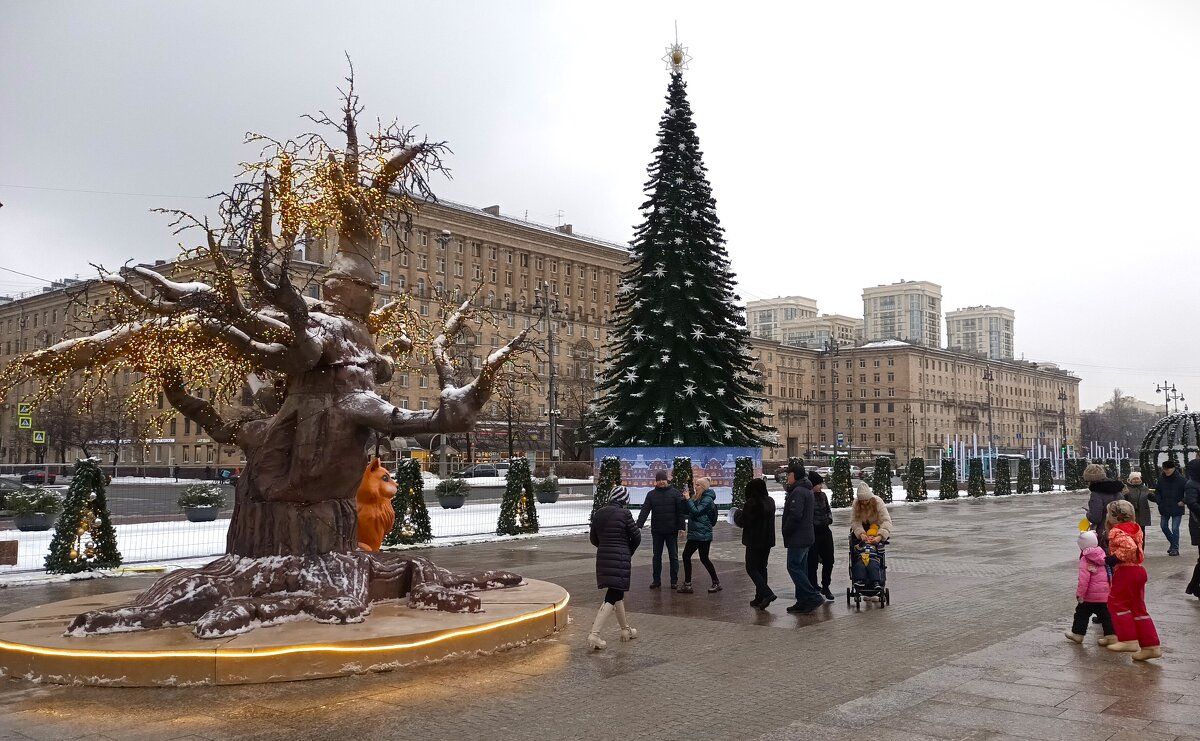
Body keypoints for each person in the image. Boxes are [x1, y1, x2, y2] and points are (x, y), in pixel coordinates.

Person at [1104, 499, 1163, 660]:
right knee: (1138, 608)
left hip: (1125, 571)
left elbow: (1129, 547)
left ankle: (1128, 639)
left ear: (1114, 516)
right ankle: (1151, 646)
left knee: (1116, 603)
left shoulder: (1117, 531)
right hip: (1138, 570)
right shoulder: (1134, 528)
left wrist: (1115, 558)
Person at [587, 486, 641, 650]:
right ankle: (594, 634)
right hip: (620, 557)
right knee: (612, 595)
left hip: (603, 555)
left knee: (617, 593)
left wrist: (604, 546)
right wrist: (627, 551)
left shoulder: (599, 513)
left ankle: (626, 630)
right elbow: (636, 536)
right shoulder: (624, 514)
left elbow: (593, 538)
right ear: (624, 500)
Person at [781, 462, 824, 614]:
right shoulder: (806, 490)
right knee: (801, 568)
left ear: (796, 476)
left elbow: (795, 515)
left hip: (798, 537)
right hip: (806, 536)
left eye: (789, 474)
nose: (787, 477)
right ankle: (802, 600)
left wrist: (786, 530)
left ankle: (812, 596)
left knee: (793, 567)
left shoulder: (798, 492)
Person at [636, 469, 687, 589]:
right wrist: (639, 525)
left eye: (663, 479)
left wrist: (682, 528)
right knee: (656, 556)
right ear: (656, 482)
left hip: (671, 530)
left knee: (673, 556)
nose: (661, 482)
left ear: (667, 480)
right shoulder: (651, 495)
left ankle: (674, 580)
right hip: (657, 531)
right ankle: (656, 580)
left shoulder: (675, 493)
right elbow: (645, 510)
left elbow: (680, 513)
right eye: (658, 480)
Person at [1065, 530, 1115, 645]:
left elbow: (1083, 580)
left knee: (1081, 614)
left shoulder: (1085, 559)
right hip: (1103, 594)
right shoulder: (1102, 554)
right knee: (1106, 615)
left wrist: (1080, 595)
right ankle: (1111, 636)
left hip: (1089, 596)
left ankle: (1077, 634)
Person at [733, 478, 776, 608]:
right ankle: (760, 597)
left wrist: (737, 514)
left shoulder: (752, 503)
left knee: (751, 568)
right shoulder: (770, 501)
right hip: (767, 540)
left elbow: (744, 522)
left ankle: (767, 594)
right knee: (762, 568)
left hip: (754, 540)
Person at [678, 477, 720, 593]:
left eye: (698, 485)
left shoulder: (707, 500)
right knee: (702, 558)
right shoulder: (698, 498)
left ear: (703, 487)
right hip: (697, 533)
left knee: (689, 556)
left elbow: (696, 512)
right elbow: (688, 512)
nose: (695, 487)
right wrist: (684, 500)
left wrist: (688, 500)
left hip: (702, 533)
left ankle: (688, 584)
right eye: (695, 484)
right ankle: (714, 582)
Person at [849, 481, 893, 590]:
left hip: (876, 528)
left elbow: (886, 521)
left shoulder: (878, 502)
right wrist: (861, 534)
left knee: (874, 561)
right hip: (863, 531)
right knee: (859, 561)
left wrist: (880, 536)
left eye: (866, 500)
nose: (864, 503)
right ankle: (860, 580)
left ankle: (877, 581)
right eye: (862, 501)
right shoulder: (856, 504)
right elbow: (855, 522)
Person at [806, 471, 835, 601]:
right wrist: (814, 524)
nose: (821, 487)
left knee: (829, 560)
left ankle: (826, 586)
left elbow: (828, 511)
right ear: (812, 485)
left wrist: (829, 519)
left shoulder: (823, 496)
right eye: (819, 484)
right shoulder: (808, 496)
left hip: (825, 532)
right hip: (813, 533)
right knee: (812, 562)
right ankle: (813, 585)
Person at [1150, 460, 1187, 556]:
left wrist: (1183, 501)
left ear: (1173, 468)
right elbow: (1157, 492)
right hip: (1164, 507)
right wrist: (1159, 501)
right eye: (1165, 469)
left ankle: (1175, 548)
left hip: (1177, 507)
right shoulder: (1161, 479)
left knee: (1175, 528)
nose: (1166, 471)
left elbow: (1188, 492)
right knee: (1164, 526)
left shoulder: (1182, 480)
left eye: (1168, 469)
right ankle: (1173, 543)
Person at [1084, 464, 1123, 552]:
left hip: (1104, 531)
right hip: (1119, 530)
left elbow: (1095, 518)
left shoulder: (1096, 494)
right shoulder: (1117, 490)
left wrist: (1088, 513)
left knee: (1104, 559)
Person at [1183, 458, 1200, 596]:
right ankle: (1193, 586)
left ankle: (1193, 586)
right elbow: (1191, 502)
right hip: (1198, 525)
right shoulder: (1192, 484)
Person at [1123, 472, 1152, 540]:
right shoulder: (1126, 489)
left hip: (1142, 514)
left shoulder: (1144, 488)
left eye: (1138, 478)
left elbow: (1151, 497)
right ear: (1130, 480)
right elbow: (1122, 499)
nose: (1136, 480)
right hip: (1131, 514)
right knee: (1131, 534)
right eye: (1134, 479)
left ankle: (1141, 550)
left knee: (1141, 535)